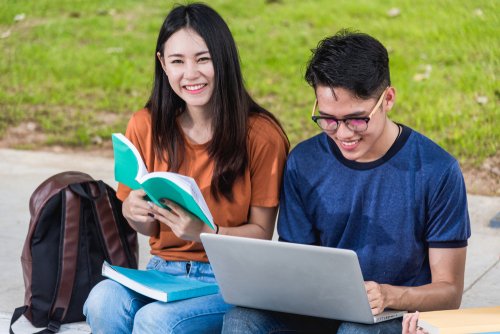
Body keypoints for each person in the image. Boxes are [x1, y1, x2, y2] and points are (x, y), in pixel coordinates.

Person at [222, 29, 470, 333]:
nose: (343, 134)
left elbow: (449, 292)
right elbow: (297, 264)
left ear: (388, 99)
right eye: (327, 119)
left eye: (356, 119)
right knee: (241, 321)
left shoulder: (437, 171)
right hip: (320, 309)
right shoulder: (303, 162)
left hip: (391, 314)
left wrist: (389, 294)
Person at [83, 3, 289, 333]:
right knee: (101, 300)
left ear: (223, 59)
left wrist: (205, 233)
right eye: (178, 61)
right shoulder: (145, 124)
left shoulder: (261, 135)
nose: (190, 74)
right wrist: (134, 212)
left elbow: (262, 234)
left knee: (156, 322)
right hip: (163, 270)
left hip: (228, 278)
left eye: (203, 59)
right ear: (162, 64)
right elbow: (149, 231)